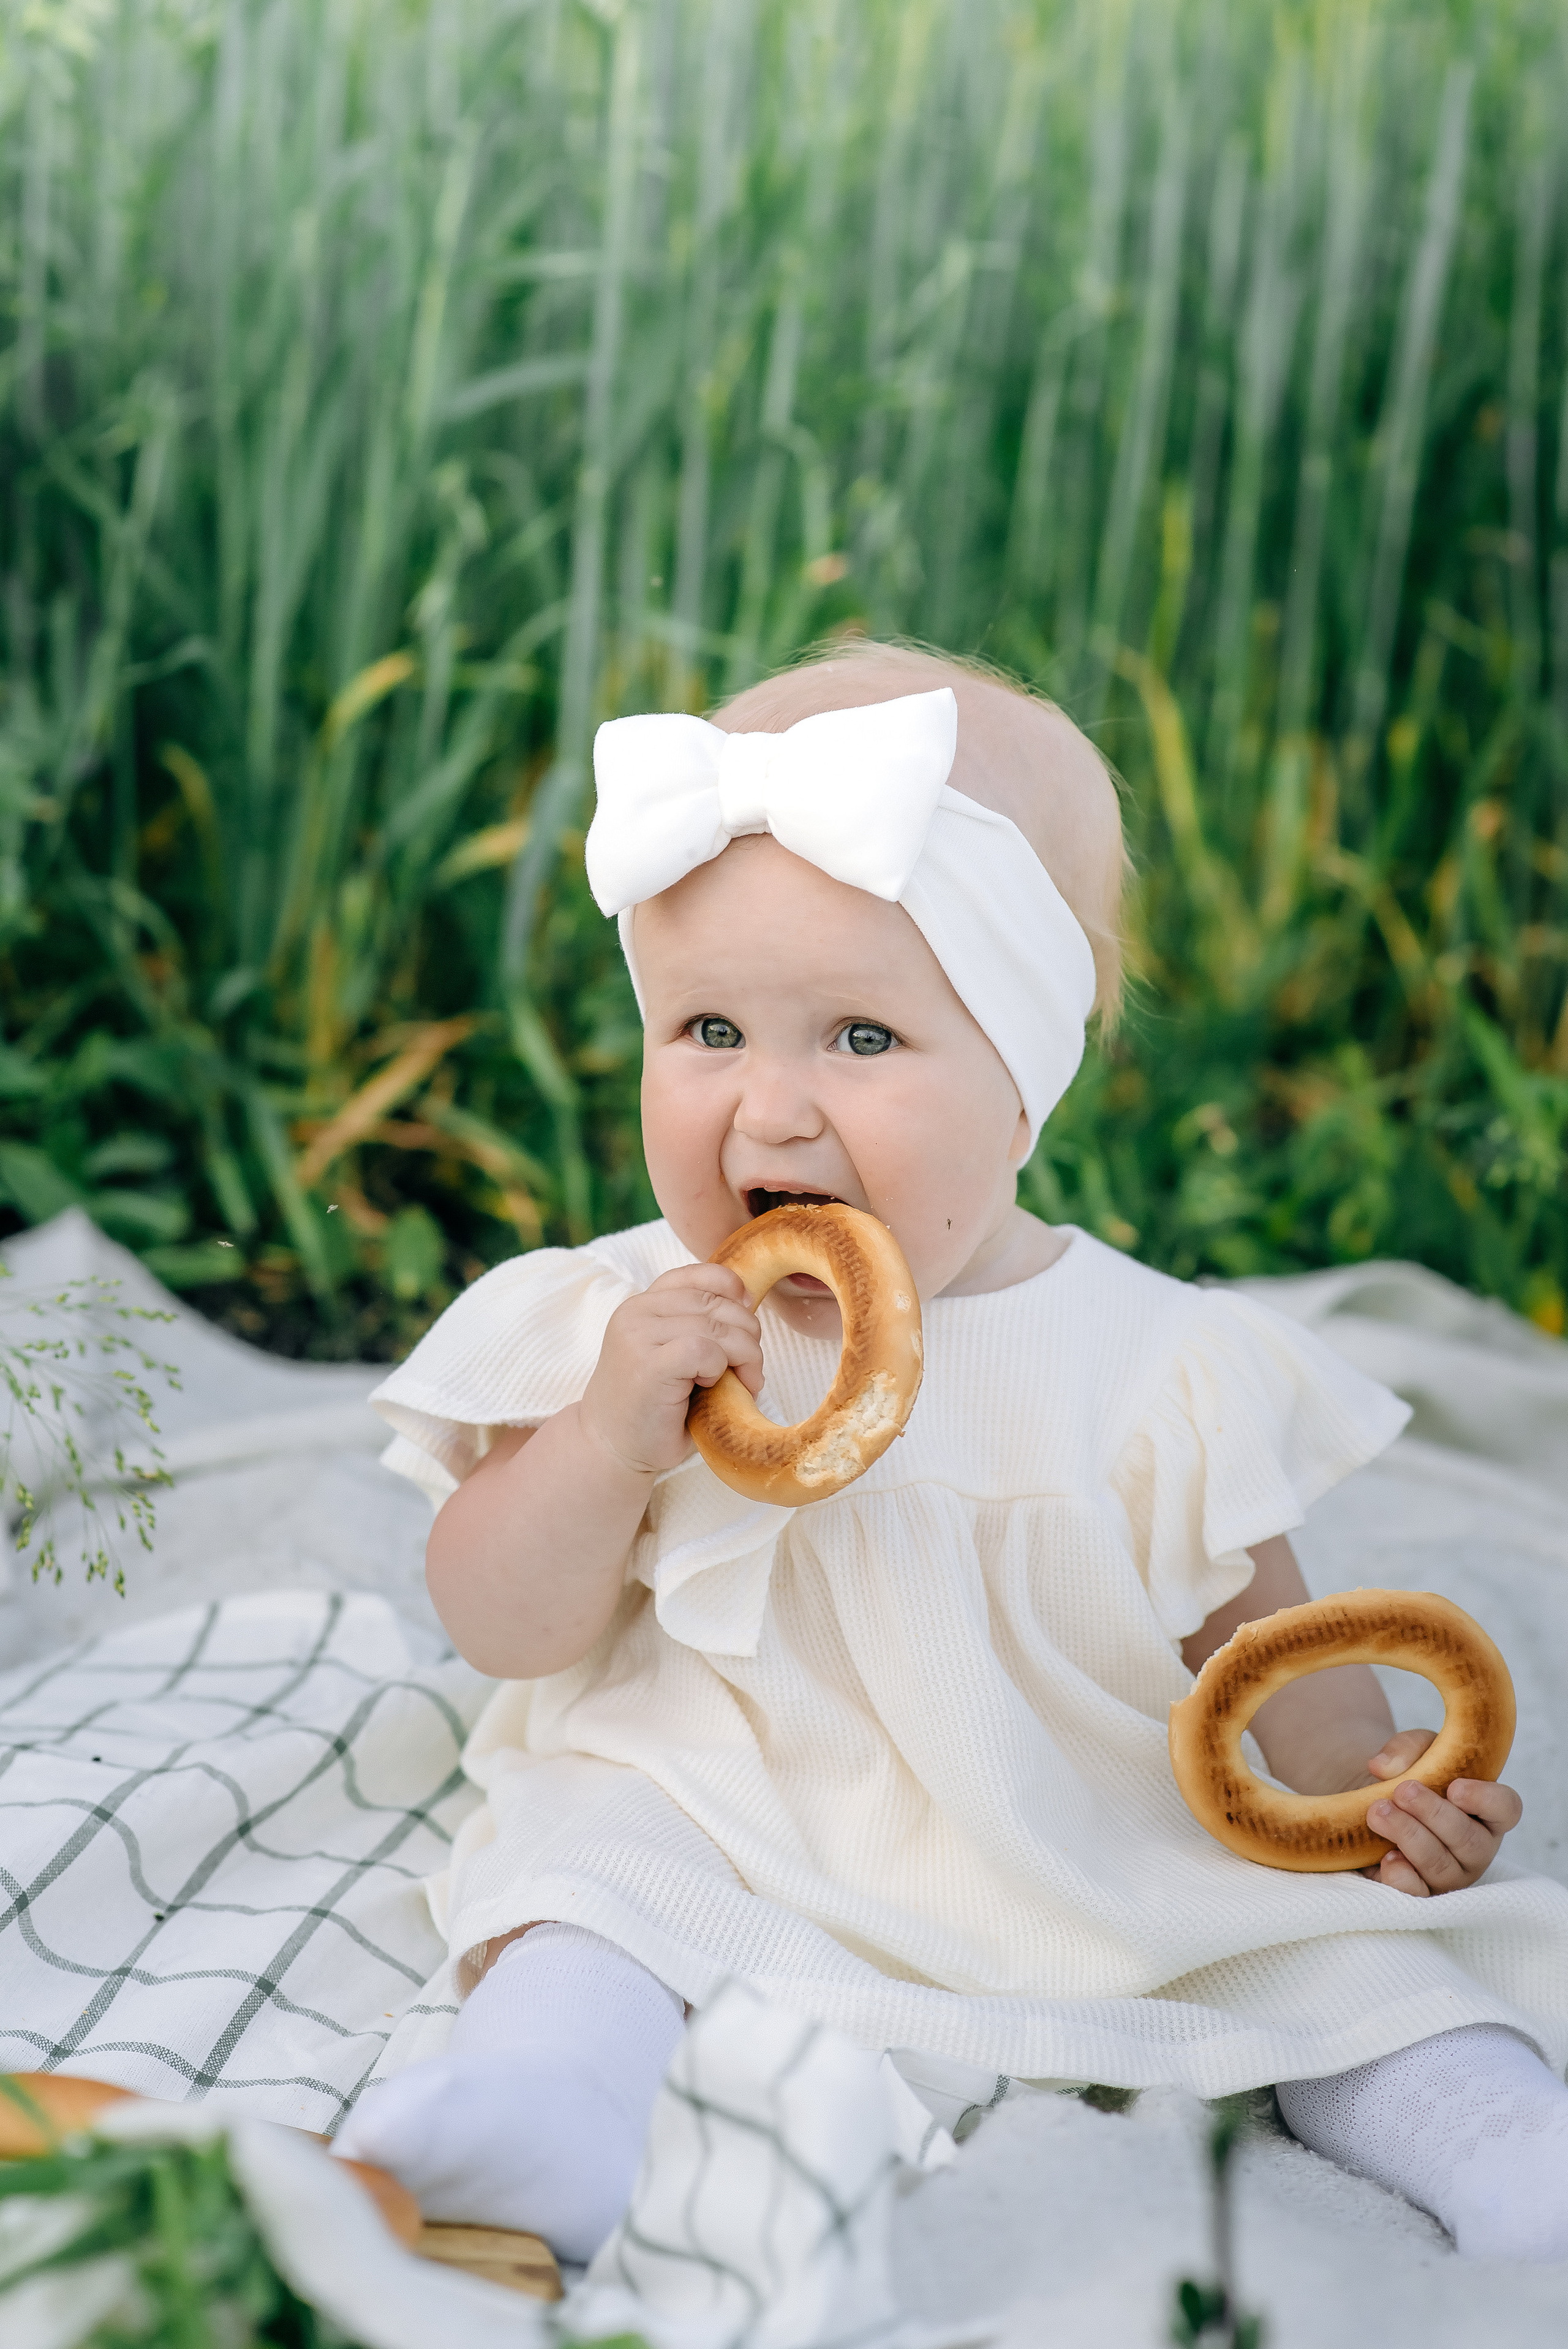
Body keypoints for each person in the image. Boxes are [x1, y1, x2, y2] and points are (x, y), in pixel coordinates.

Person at [335, 643, 1568, 2265]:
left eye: (859, 1038)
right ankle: (544, 2115)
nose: (769, 1114)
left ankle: (1505, 2146)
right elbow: (503, 1621)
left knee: (1345, 1958)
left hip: (1082, 1835)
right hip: (726, 1807)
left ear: (1021, 1085)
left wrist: (1368, 1795)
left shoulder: (1153, 1364)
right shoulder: (630, 1320)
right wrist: (600, 1442)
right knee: (584, 1891)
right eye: (708, 1026)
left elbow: (1268, 1651)